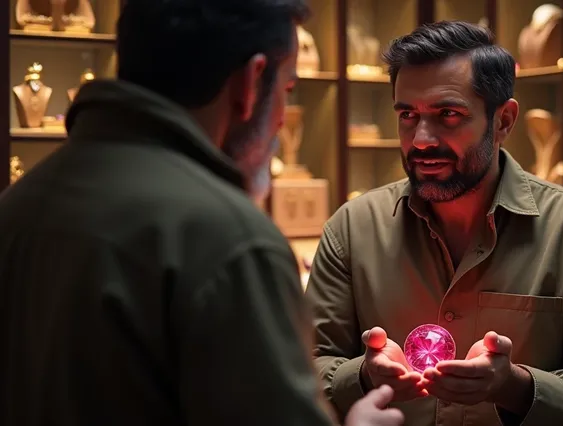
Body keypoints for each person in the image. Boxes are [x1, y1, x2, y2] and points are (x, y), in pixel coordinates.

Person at [0, 1, 404, 425]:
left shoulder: (19, 204)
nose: (283, 121)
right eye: (286, 91)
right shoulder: (227, 238)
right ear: (251, 83)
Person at [305, 21, 563, 426]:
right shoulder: (351, 230)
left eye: (447, 115)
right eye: (407, 115)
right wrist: (363, 376)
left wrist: (517, 387)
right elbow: (300, 373)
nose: (420, 138)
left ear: (504, 120)